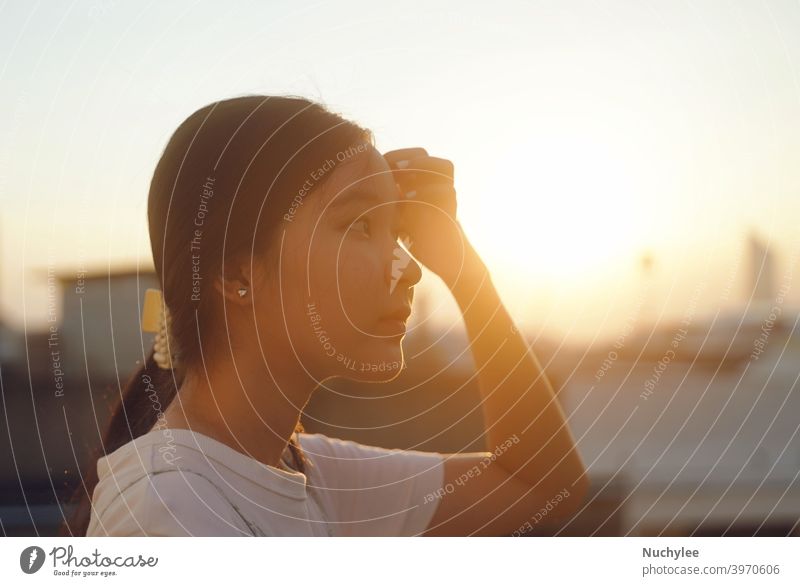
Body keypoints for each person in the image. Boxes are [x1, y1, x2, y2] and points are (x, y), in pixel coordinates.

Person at [64, 95, 589, 537]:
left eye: (399, 233)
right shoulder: (171, 511)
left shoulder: (306, 474)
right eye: (360, 225)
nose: (408, 272)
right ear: (236, 274)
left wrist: (465, 270)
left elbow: (543, 485)